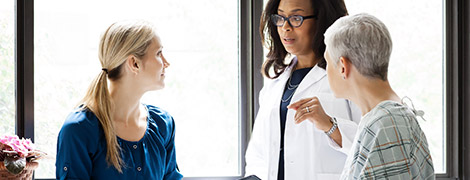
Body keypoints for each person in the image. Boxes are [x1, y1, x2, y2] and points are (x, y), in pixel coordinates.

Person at [244, 0, 361, 179]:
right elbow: (258, 153)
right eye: (280, 18)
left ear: (322, 21)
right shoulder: (275, 82)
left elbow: (372, 144)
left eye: (296, 18)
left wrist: (330, 125)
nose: (286, 28)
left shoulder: (349, 75)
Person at [55, 21, 183, 180]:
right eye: (159, 53)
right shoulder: (79, 130)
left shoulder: (163, 124)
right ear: (134, 63)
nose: (166, 63)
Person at [320, 13, 435, 179]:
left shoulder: (387, 123)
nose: (326, 71)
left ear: (343, 67)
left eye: (327, 62)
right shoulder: (384, 119)